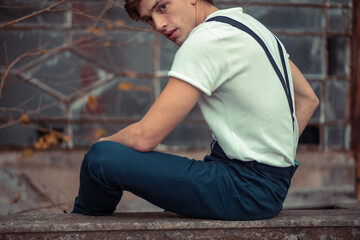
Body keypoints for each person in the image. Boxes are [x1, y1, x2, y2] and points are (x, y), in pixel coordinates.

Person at [71, 0, 319, 220]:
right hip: (267, 186)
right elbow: (308, 99)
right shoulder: (249, 25)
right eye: (149, 18)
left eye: (162, 7)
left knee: (99, 159)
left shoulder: (206, 39)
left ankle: (83, 227)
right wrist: (273, 158)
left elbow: (145, 137)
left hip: (242, 189)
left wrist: (106, 143)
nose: (158, 25)